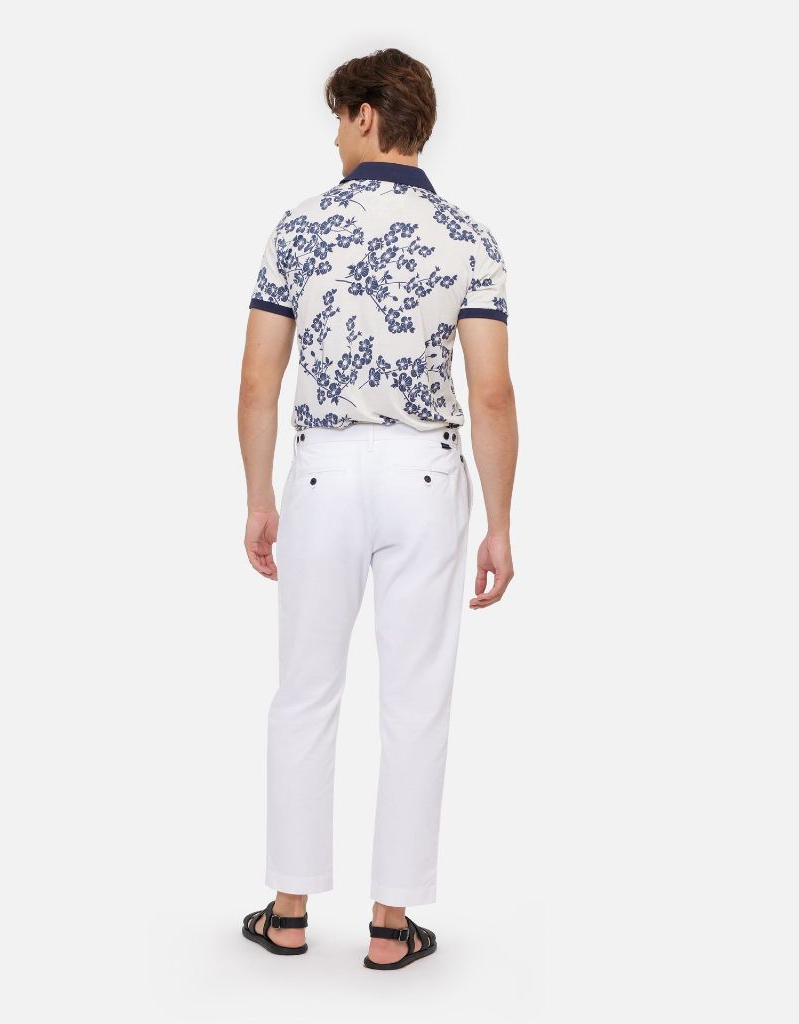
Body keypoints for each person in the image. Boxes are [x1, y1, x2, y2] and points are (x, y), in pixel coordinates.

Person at [237, 47, 518, 970]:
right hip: (425, 480)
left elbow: (258, 380)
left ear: (366, 116)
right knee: (416, 701)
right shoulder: (469, 238)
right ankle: (391, 928)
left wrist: (258, 495)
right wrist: (501, 523)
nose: (333, 137)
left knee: (304, 691)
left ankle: (288, 912)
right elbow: (490, 395)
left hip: (321, 473)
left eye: (338, 118)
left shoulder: (300, 227)